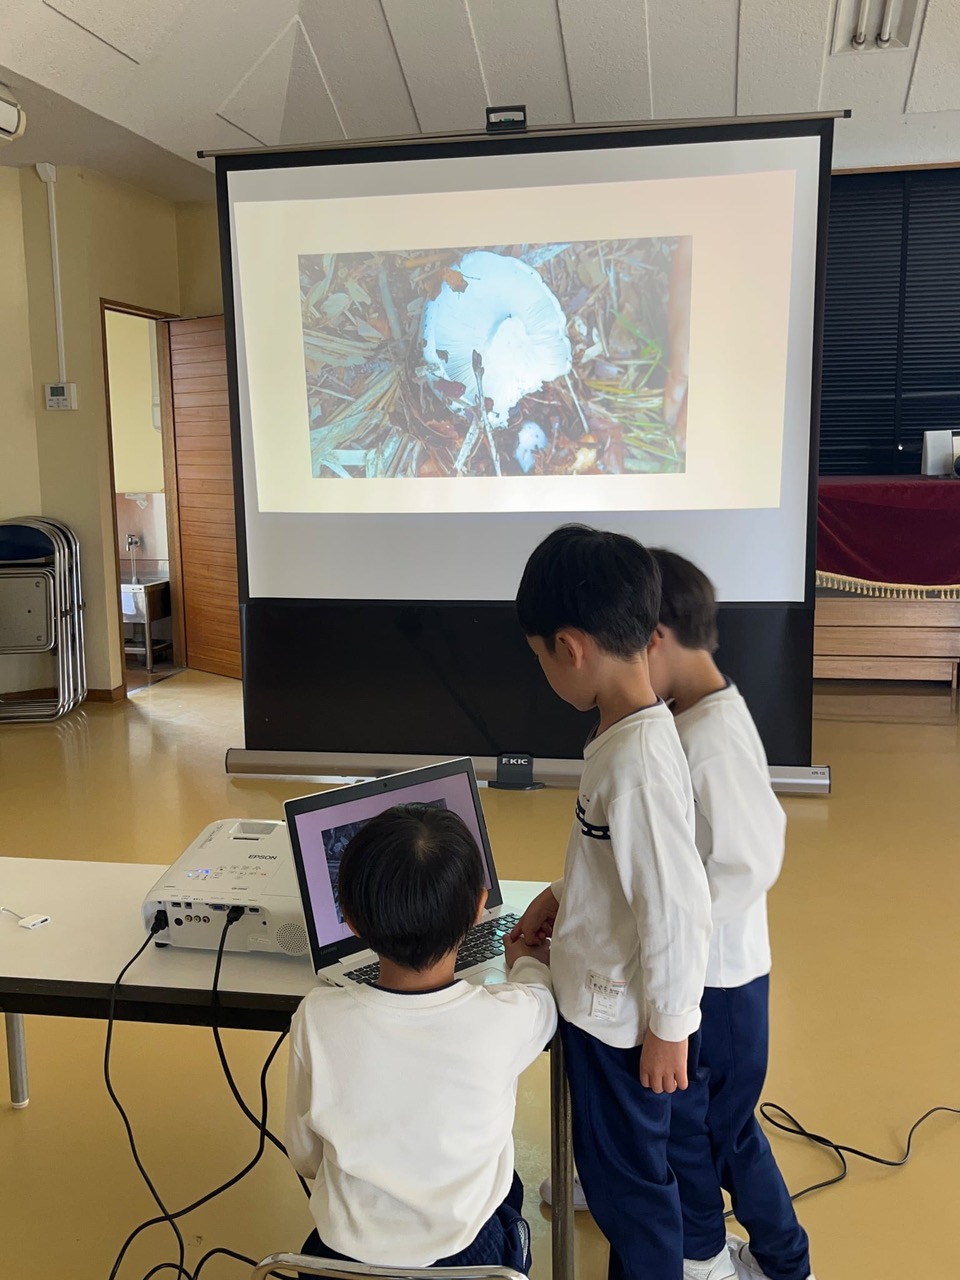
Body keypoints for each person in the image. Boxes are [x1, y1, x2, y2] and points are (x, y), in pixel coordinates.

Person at [510, 524, 722, 1280]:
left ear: (570, 648)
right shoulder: (628, 732)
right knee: (620, 1182)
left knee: (631, 1195)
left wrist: (670, 1028)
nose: (543, 670)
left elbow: (677, 905)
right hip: (606, 1006)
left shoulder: (636, 763)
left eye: (539, 657)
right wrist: (562, 895)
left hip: (621, 1027)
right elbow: (618, 866)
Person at [285, 803, 556, 1275]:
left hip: (342, 1263)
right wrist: (527, 961)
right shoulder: (506, 1018)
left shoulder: (316, 1017)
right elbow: (542, 998)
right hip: (466, 1260)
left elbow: (305, 1156)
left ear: (350, 919)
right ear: (479, 907)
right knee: (507, 1192)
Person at [646, 549, 815, 1280]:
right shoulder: (696, 714)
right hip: (710, 974)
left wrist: (680, 927)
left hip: (720, 981)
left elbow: (752, 856)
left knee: (718, 1132)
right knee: (702, 1124)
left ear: (654, 639)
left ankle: (773, 1261)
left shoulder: (709, 737)